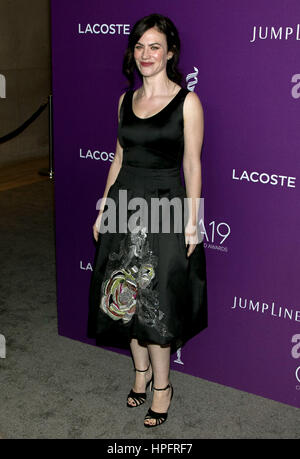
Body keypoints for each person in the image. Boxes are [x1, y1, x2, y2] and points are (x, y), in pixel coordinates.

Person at [87, 13, 208, 428]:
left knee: (155, 308)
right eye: (139, 46)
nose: (146, 54)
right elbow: (119, 157)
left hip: (164, 210)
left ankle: (162, 387)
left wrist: (193, 221)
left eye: (154, 46)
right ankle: (139, 376)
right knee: (125, 303)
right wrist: (104, 206)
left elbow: (192, 165)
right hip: (125, 206)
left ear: (170, 52)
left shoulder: (187, 102)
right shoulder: (125, 100)